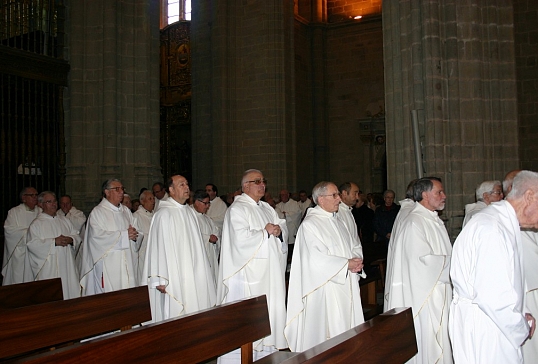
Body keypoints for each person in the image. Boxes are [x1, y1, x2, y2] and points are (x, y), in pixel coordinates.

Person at [450, 170, 538, 363]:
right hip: (488, 328)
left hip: (495, 323)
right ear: (530, 196)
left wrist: (521, 310)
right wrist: (520, 326)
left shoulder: (502, 222)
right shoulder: (491, 228)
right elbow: (493, 297)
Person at [217, 169, 288, 362]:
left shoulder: (267, 208)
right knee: (249, 324)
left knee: (268, 320)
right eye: (257, 181)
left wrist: (280, 232)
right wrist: (264, 232)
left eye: (263, 181)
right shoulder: (237, 209)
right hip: (248, 277)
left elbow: (282, 230)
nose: (262, 184)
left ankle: (265, 358)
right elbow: (239, 241)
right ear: (245, 186)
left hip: (269, 275)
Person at [284, 181, 364, 352]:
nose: (339, 199)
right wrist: (345, 264)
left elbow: (353, 243)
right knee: (330, 335)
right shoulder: (310, 225)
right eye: (334, 195)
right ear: (320, 199)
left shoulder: (337, 221)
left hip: (345, 283)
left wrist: (356, 259)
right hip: (326, 289)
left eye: (338, 195)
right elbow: (315, 259)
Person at [384, 177, 452, 363]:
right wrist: (454, 264)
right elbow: (421, 263)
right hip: (424, 294)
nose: (444, 196)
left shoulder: (431, 219)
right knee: (427, 340)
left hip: (438, 289)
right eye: (439, 192)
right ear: (424, 195)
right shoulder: (414, 222)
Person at [143, 175, 216, 322]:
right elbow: (158, 248)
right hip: (173, 275)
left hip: (192, 273)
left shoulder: (189, 213)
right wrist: (160, 279)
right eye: (181, 185)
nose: (186, 187)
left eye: (187, 184)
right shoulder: (163, 214)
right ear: (171, 190)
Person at [80, 179, 140, 295]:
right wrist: (124, 235)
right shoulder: (98, 212)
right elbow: (96, 238)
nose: (121, 192)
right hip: (109, 264)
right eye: (117, 189)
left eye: (122, 189)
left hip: (128, 262)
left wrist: (134, 235)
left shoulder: (126, 211)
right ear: (107, 192)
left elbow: (137, 231)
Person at [24, 191, 81, 299]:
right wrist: (54, 242)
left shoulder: (64, 220)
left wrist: (71, 239)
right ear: (41, 204)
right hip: (48, 268)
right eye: (49, 202)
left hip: (67, 264)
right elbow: (32, 245)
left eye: (54, 201)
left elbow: (77, 236)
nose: (53, 204)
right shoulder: (37, 224)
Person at [2, 187, 41, 285]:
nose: (35, 197)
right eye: (32, 195)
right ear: (24, 198)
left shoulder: (41, 212)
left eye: (36, 195)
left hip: (37, 252)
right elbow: (9, 230)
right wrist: (30, 232)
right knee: (18, 279)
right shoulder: (14, 212)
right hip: (19, 253)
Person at [191, 189, 220, 284]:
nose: (207, 206)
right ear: (196, 202)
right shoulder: (189, 217)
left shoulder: (207, 219)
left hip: (211, 257)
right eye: (205, 203)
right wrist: (207, 238)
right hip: (197, 261)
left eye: (209, 203)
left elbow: (216, 231)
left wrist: (215, 238)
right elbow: (189, 236)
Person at [337, 182, 365, 275]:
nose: (357, 197)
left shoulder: (348, 211)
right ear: (344, 193)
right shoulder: (337, 212)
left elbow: (354, 239)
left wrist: (357, 259)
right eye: (355, 193)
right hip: (346, 262)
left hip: (353, 261)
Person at [132, 190, 155, 285]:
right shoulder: (136, 216)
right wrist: (153, 237)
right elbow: (136, 237)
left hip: (154, 256)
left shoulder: (156, 216)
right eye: (150, 199)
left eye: (153, 198)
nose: (153, 201)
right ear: (142, 201)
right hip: (143, 256)